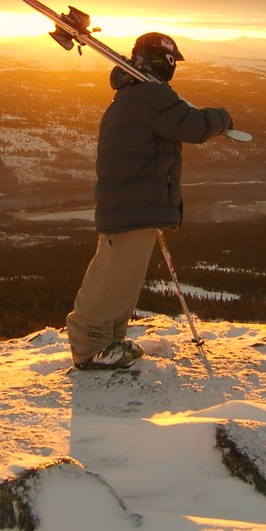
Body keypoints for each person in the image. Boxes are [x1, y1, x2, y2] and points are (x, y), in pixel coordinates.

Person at [66, 32, 233, 370]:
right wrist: (223, 117)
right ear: (164, 60)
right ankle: (90, 344)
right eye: (171, 61)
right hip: (134, 202)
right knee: (112, 275)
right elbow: (193, 126)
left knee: (123, 277)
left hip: (134, 201)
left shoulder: (136, 94)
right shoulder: (151, 96)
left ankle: (109, 338)